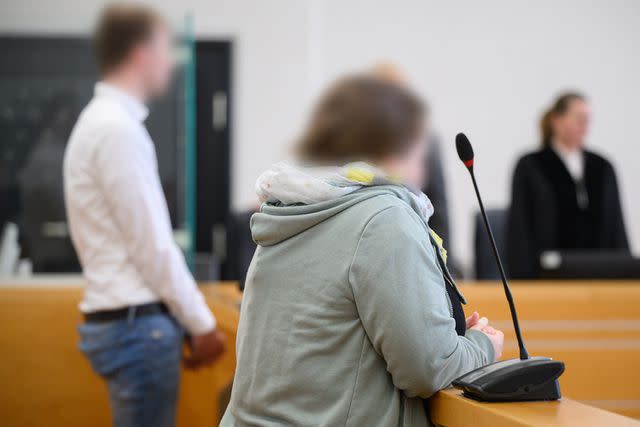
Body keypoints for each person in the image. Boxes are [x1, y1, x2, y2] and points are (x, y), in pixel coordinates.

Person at [221, 75, 503, 426]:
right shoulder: (385, 219)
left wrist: (442, 333)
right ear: (395, 147)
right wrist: (482, 345)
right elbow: (429, 369)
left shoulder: (295, 209)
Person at [63, 4, 224, 427]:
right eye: (165, 48)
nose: (171, 60)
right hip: (137, 327)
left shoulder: (101, 124)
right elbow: (151, 244)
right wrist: (203, 324)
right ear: (140, 53)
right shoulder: (116, 129)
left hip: (127, 324)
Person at [506, 92, 629, 279]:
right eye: (578, 118)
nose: (584, 125)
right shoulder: (531, 166)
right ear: (557, 120)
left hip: (601, 274)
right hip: (548, 275)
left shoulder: (602, 167)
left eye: (587, 119)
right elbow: (520, 228)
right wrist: (523, 278)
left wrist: (624, 269)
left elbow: (616, 225)